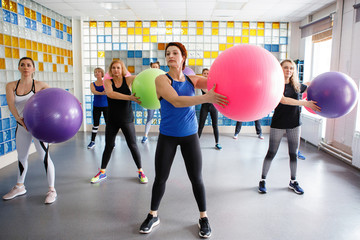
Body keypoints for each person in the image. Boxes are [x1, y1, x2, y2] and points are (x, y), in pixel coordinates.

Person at [139, 42, 228, 238]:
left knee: (196, 178)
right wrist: (206, 98)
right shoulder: (162, 80)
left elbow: (218, 83)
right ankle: (153, 215)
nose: (171, 55)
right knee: (160, 178)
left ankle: (203, 217)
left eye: (175, 53)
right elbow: (176, 101)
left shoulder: (193, 80)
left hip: (190, 136)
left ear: (183, 57)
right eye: (168, 53)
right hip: (168, 136)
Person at [258, 59, 320, 195]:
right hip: (278, 123)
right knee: (271, 153)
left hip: (294, 124)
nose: (289, 70)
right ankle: (262, 180)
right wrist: (305, 103)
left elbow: (313, 88)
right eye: (286, 68)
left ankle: (293, 181)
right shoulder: (276, 85)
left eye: (291, 68)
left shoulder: (297, 85)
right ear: (280, 69)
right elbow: (283, 100)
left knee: (293, 154)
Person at [3, 57, 57, 204]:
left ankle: (52, 190)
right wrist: (18, 119)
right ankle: (20, 186)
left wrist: (72, 100)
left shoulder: (39, 85)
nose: (25, 67)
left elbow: (57, 97)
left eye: (29, 65)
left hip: (38, 128)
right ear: (19, 68)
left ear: (33, 69)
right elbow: (11, 104)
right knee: (22, 157)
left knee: (44, 157)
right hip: (21, 126)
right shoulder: (11, 86)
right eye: (22, 65)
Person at [90, 59, 148, 184]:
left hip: (126, 118)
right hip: (112, 119)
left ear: (122, 69)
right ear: (110, 70)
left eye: (118, 68)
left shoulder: (128, 80)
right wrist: (130, 97)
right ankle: (102, 172)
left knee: (133, 145)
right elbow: (111, 94)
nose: (116, 70)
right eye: (113, 68)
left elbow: (143, 77)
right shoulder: (107, 81)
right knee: (109, 145)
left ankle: (140, 171)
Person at [197, 68, 222, 150]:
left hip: (213, 107)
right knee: (201, 126)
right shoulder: (202, 84)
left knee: (215, 126)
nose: (206, 75)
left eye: (208, 73)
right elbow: (208, 93)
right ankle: (196, 144)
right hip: (204, 106)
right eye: (204, 73)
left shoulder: (213, 83)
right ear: (202, 74)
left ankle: (217, 143)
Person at [87, 67, 108, 149]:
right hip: (96, 106)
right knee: (95, 124)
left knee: (108, 124)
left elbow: (109, 90)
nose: (97, 73)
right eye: (95, 72)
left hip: (106, 106)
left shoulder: (106, 82)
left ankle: (110, 142)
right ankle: (92, 141)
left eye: (99, 72)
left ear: (102, 73)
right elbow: (94, 91)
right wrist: (102, 93)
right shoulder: (92, 84)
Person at [142, 61, 160, 143]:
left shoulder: (162, 76)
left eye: (156, 67)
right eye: (153, 67)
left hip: (161, 100)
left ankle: (163, 135)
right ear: (151, 68)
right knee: (149, 117)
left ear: (158, 68)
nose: (155, 68)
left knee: (164, 117)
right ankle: (145, 135)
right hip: (151, 100)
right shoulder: (148, 77)